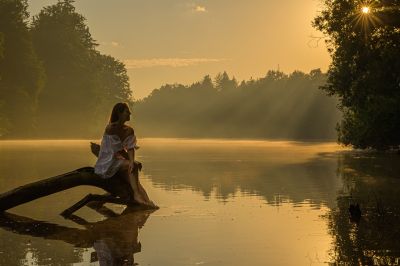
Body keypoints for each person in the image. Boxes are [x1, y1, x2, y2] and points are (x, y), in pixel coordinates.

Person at [94, 102, 156, 207]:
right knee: (133, 167)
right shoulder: (110, 128)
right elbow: (117, 150)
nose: (130, 113)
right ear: (119, 113)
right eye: (127, 111)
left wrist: (132, 161)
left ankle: (147, 204)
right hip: (108, 163)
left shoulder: (129, 130)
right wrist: (132, 162)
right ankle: (137, 196)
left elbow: (130, 148)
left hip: (119, 161)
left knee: (136, 183)